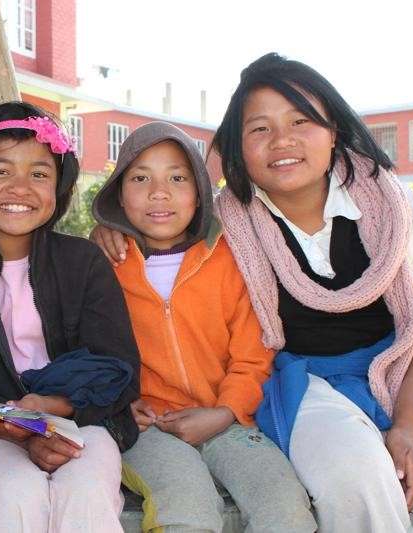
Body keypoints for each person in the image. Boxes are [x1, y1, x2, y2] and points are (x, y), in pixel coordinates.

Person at [94, 53, 413, 532]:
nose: (282, 141)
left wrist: (406, 425)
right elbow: (160, 220)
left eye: (301, 121)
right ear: (239, 148)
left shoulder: (393, 205)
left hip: (404, 371)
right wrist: (107, 232)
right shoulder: (228, 224)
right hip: (306, 384)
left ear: (333, 129)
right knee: (354, 479)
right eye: (258, 128)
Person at [91, 121, 315, 533]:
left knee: (283, 505)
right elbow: (88, 352)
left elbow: (254, 351)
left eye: (177, 178)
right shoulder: (103, 266)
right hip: (147, 427)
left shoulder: (231, 259)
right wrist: (119, 406)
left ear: (199, 194)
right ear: (119, 195)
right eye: (140, 178)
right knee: (186, 507)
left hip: (226, 420)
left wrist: (225, 410)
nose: (159, 192)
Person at [0, 101, 141, 533]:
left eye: (39, 173)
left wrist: (58, 407)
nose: (20, 187)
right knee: (13, 496)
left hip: (83, 419)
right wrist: (18, 424)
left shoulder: (83, 262)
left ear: (59, 186)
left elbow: (118, 365)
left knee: (86, 495)